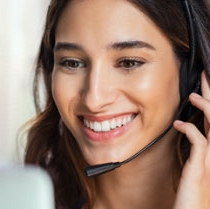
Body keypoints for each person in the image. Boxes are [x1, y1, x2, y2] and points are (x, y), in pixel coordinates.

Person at [23, 0, 210, 208]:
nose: (94, 100)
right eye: (72, 63)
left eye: (129, 62)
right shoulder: (24, 200)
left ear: (191, 75)